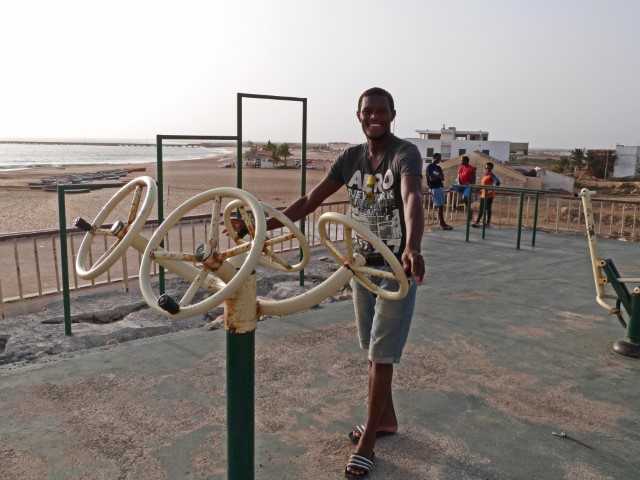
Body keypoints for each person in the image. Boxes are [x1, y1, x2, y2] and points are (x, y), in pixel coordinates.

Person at [229, 87, 425, 478]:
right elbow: (309, 202)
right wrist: (262, 226)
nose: (375, 117)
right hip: (359, 266)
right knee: (372, 349)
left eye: (381, 111)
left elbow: (411, 197)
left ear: (392, 114)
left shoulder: (405, 154)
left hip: (394, 268)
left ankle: (369, 438)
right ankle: (386, 421)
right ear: (358, 116)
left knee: (382, 354)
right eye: (368, 111)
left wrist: (414, 246)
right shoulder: (350, 158)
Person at [426, 153, 453, 230]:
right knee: (440, 206)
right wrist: (438, 177)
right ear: (434, 158)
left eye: (440, 158)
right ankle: (442, 224)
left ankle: (442, 223)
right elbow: (431, 178)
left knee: (441, 206)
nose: (440, 159)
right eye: (438, 158)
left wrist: (437, 177)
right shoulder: (429, 167)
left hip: (440, 187)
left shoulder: (438, 167)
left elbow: (443, 178)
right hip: (434, 188)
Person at [472, 162, 500, 228]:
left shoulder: (491, 175)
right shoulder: (486, 175)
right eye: (486, 168)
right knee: (481, 208)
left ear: (492, 168)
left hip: (489, 195)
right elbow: (483, 185)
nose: (487, 169)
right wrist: (476, 190)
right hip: (483, 194)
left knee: (488, 209)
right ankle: (477, 222)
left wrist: (491, 190)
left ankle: (487, 223)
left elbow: (497, 182)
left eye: (489, 168)